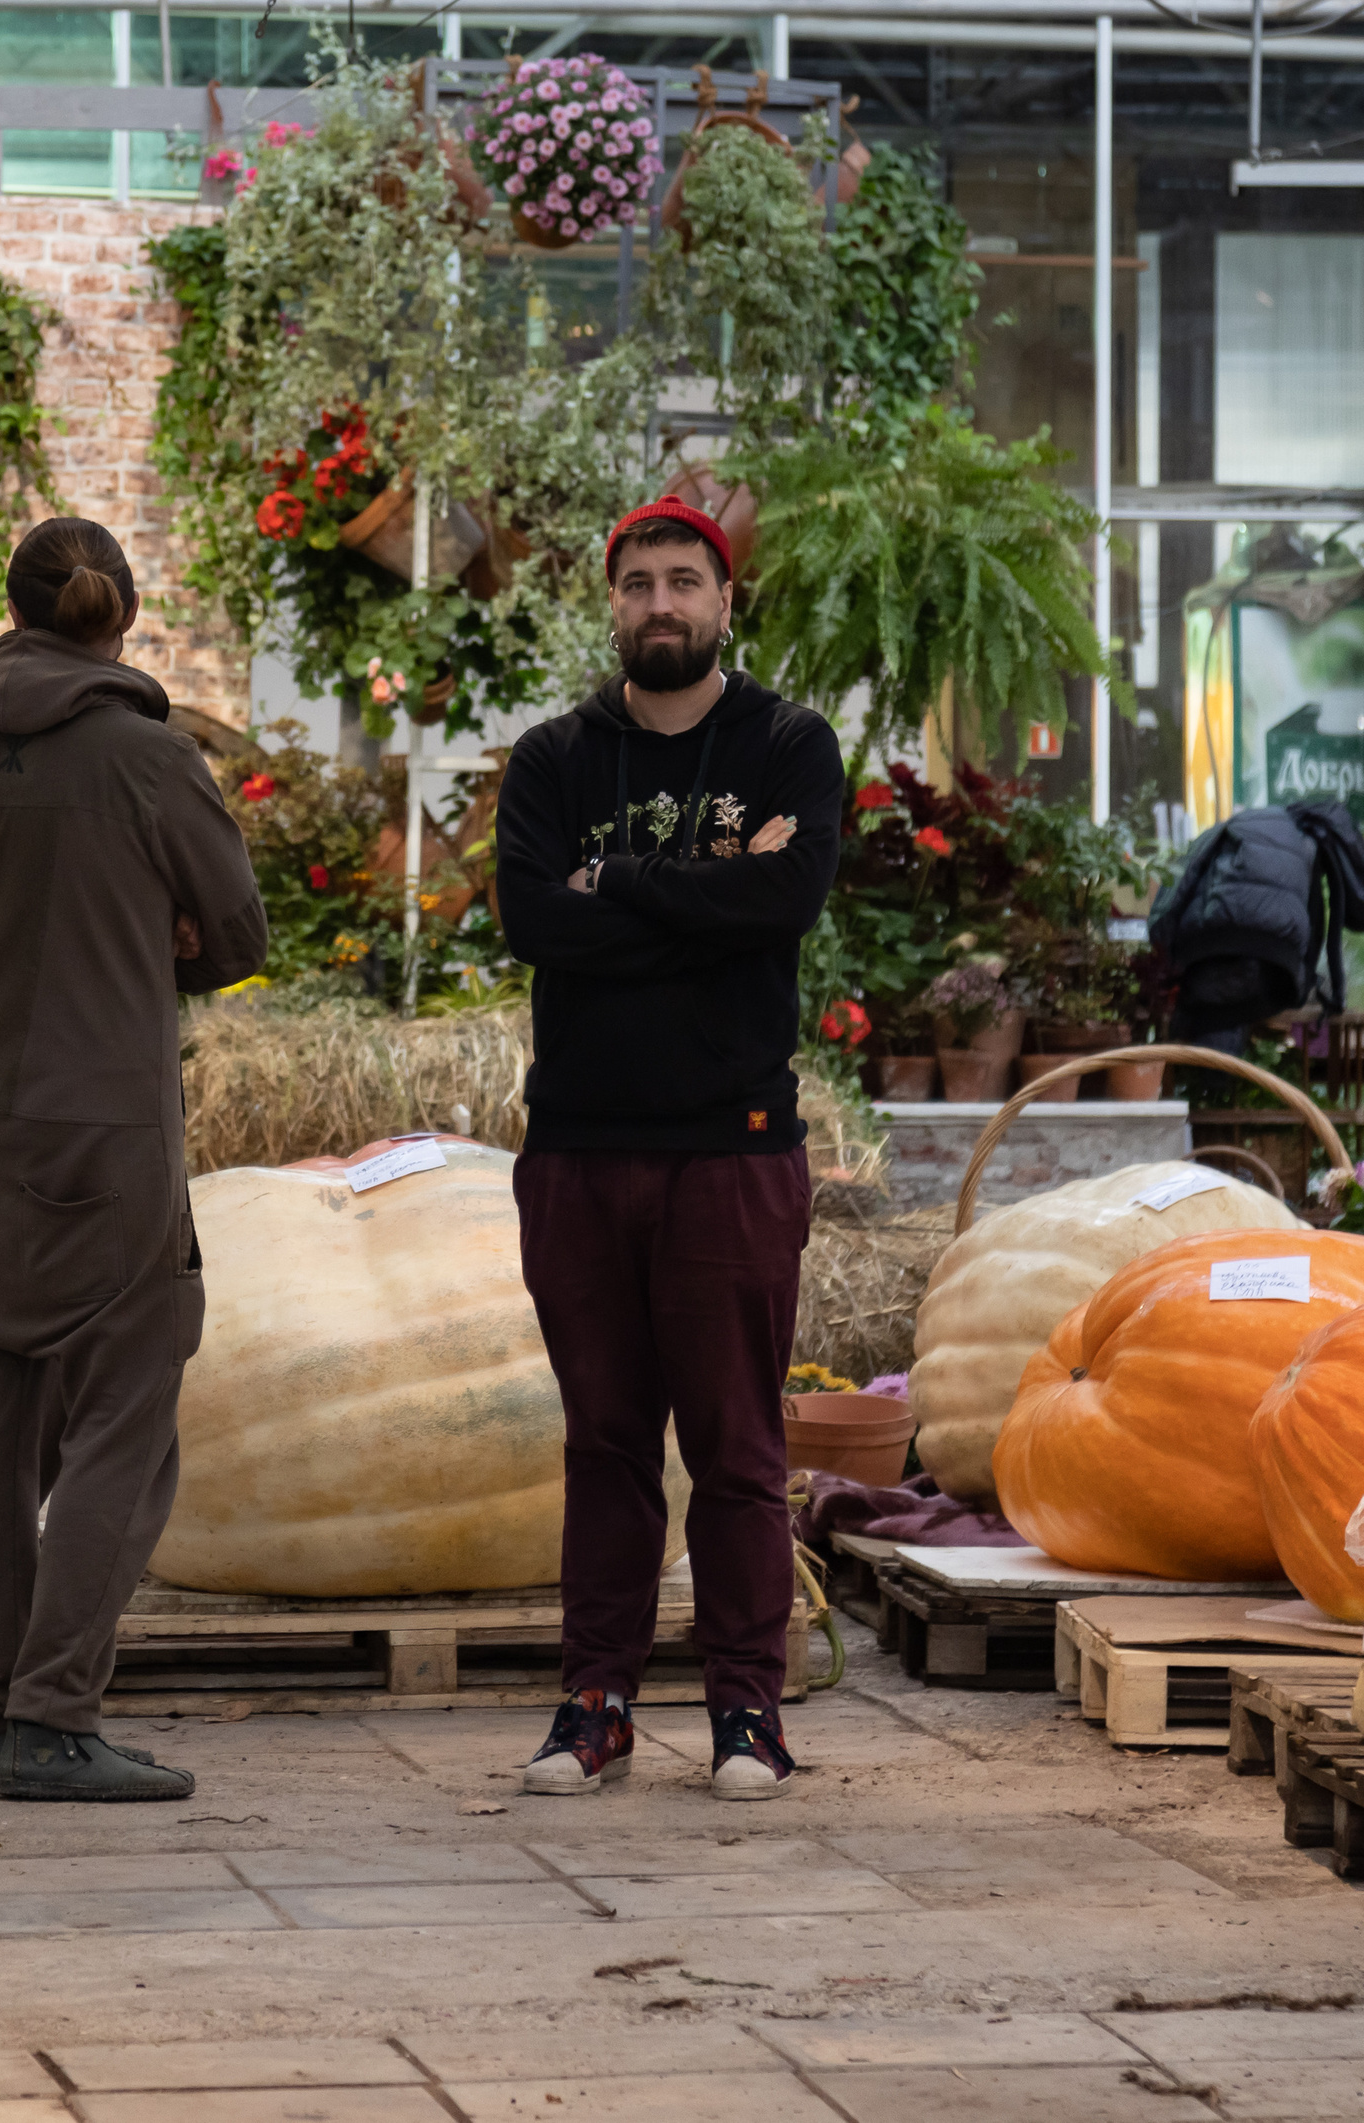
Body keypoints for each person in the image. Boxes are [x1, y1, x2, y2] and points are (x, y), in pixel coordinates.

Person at [490, 496, 844, 1802]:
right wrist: (705, 900)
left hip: (732, 1149)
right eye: (637, 581)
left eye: (683, 579)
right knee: (607, 1443)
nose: (659, 602)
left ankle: (748, 1707)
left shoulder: (789, 745)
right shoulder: (556, 759)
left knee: (741, 1449)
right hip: (581, 1149)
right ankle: (597, 1701)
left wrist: (616, 888)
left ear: (724, 599)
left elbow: (787, 897)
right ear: (613, 601)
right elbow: (537, 921)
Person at [0, 516, 268, 1802]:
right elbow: (236, 930)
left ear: (16, 611)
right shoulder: (148, 755)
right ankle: (58, 1717)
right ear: (121, 611)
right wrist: (156, 932)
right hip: (104, 1131)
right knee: (126, 1422)